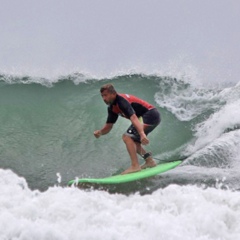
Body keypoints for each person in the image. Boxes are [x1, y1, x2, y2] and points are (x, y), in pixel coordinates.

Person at [94, 83, 161, 174]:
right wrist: (100, 132)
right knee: (133, 141)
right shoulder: (112, 108)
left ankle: (135, 166)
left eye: (105, 95)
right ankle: (150, 161)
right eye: (102, 96)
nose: (104, 98)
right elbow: (109, 126)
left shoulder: (121, 101)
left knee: (127, 137)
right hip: (144, 117)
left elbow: (133, 118)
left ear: (113, 93)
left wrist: (141, 134)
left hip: (151, 114)